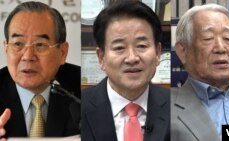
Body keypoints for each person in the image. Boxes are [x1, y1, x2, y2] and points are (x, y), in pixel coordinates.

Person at [81, 1, 170, 141]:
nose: (132, 58)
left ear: (158, 53)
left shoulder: (178, 107)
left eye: (141, 45)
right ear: (101, 58)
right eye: (119, 48)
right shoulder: (78, 107)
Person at [0, 1, 80, 139]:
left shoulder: (82, 90)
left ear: (62, 52)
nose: (28, 56)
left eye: (40, 45)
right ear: (6, 48)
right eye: (18, 43)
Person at [171, 3, 229, 141]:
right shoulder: (165, 107)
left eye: (228, 39)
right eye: (208, 39)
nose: (221, 48)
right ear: (183, 51)